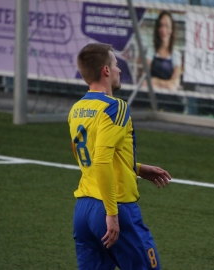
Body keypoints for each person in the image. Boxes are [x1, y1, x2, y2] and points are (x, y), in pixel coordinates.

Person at [68, 43, 171, 270]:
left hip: (83, 210)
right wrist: (112, 214)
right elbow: (102, 160)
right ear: (106, 70)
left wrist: (136, 167)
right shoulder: (116, 108)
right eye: (116, 65)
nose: (119, 70)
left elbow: (91, 156)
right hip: (114, 207)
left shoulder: (76, 109)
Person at [145, 10, 182, 91]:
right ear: (157, 29)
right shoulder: (151, 51)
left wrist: (155, 81)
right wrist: (166, 83)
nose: (163, 30)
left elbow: (173, 85)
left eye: (167, 26)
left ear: (172, 29)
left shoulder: (176, 54)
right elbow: (144, 81)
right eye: (161, 25)